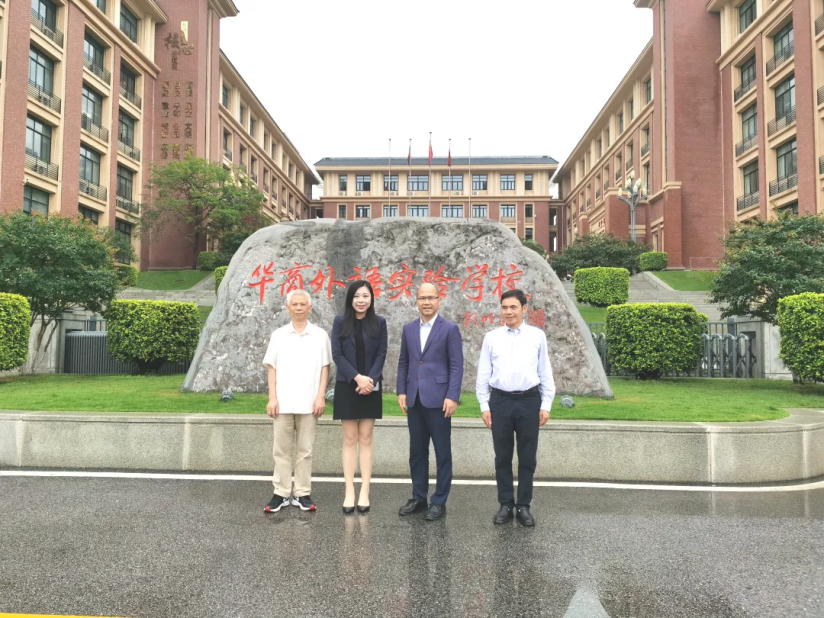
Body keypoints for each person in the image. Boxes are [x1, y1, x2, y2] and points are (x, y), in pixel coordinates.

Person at [476, 289, 555, 527]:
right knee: (502, 456)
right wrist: (484, 405)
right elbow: (483, 374)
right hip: (500, 401)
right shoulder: (492, 337)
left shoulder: (536, 336)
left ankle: (523, 506)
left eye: (513, 307)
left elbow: (545, 371)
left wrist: (546, 404)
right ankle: (505, 504)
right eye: (504, 307)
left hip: (529, 401)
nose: (508, 312)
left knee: (527, 457)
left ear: (524, 309)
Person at [396, 282, 464, 521]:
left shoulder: (450, 329)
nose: (426, 302)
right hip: (414, 398)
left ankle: (439, 500)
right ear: (416, 301)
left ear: (438, 300)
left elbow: (456, 365)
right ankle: (419, 497)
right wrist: (401, 391)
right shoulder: (409, 329)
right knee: (417, 451)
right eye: (422, 298)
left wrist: (452, 396)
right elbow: (404, 361)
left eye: (431, 298)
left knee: (442, 453)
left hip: (440, 400)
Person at [262, 289, 331, 513]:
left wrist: (320, 396)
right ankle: (281, 493)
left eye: (303, 304)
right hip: (282, 403)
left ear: (309, 308)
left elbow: (325, 368)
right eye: (295, 304)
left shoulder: (320, 335)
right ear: (288, 308)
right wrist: (272, 398)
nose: (299, 308)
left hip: (310, 403)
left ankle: (302, 493)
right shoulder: (279, 335)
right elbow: (271, 368)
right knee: (281, 451)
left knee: (305, 451)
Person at [331, 280, 388, 514]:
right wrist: (357, 378)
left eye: (365, 296)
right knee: (349, 438)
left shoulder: (379, 322)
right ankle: (349, 491)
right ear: (350, 299)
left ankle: (365, 490)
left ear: (371, 298)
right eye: (357, 296)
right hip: (347, 385)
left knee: (365, 438)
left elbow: (382, 353)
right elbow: (337, 354)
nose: (361, 300)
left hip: (371, 386)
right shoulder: (340, 321)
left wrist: (369, 380)